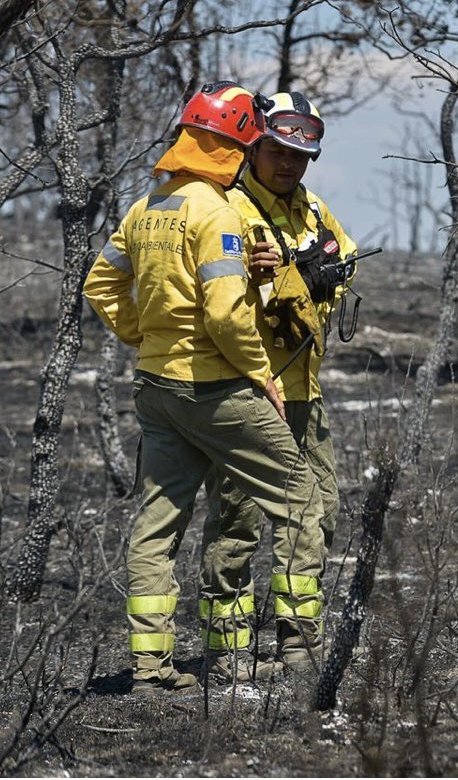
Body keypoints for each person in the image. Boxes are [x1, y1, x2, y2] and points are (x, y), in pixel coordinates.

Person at [83, 82, 326, 693]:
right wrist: (260, 373)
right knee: (301, 501)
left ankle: (149, 669)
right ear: (239, 144)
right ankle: (298, 654)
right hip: (216, 390)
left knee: (157, 526)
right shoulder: (215, 209)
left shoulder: (149, 205)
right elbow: (222, 314)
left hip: (156, 388)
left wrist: (146, 336)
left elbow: (100, 285)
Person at [197, 91, 358, 682]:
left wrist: (323, 279)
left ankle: (298, 641)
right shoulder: (230, 209)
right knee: (237, 521)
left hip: (303, 391)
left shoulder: (313, 210)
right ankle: (227, 651)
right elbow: (220, 292)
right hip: (245, 388)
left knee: (319, 513)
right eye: (277, 151)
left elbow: (347, 260)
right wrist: (278, 276)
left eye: (300, 156)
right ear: (254, 147)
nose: (288, 165)